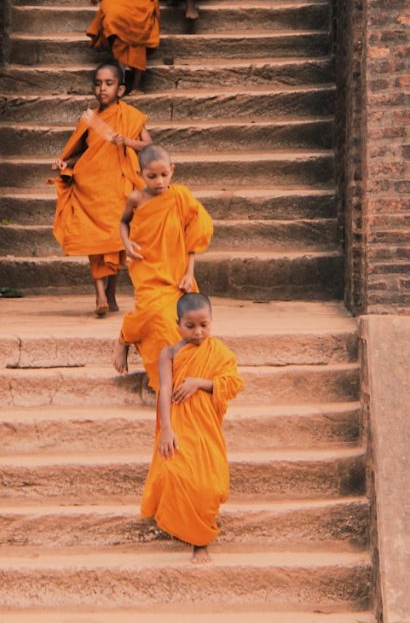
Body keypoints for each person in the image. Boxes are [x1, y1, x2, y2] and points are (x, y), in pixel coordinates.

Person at [141, 292, 244, 562]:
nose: (198, 332)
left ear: (211, 323)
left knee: (210, 483)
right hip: (178, 420)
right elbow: (164, 390)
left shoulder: (219, 352)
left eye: (204, 325)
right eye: (190, 326)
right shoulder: (169, 353)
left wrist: (198, 383)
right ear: (178, 325)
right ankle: (190, 534)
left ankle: (202, 538)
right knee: (175, 471)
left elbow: (233, 384)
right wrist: (166, 429)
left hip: (205, 424)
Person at [50, 62, 152, 316]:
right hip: (91, 186)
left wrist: (125, 140)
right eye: (98, 83)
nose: (102, 88)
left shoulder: (130, 116)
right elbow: (81, 153)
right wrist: (65, 163)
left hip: (117, 186)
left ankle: (111, 292)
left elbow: (148, 147)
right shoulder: (89, 119)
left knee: (116, 241)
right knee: (95, 240)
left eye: (109, 83)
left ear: (120, 89)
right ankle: (99, 295)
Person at [112, 144, 212, 389]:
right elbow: (123, 223)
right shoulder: (136, 198)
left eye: (164, 175)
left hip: (176, 271)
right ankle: (124, 338)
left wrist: (190, 273)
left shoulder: (181, 197)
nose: (159, 181)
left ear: (172, 170)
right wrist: (126, 243)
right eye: (152, 176)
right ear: (140, 174)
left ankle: (175, 379)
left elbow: (194, 236)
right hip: (146, 266)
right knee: (151, 312)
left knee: (172, 323)